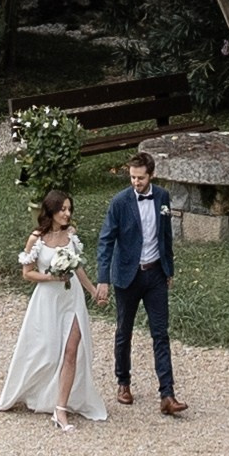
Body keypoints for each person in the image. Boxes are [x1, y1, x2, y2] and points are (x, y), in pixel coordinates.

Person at [0, 187, 108, 429]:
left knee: (72, 350)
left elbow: (78, 268)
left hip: (72, 298)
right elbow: (27, 273)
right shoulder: (37, 239)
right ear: (51, 210)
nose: (67, 213)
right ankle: (23, 390)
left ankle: (60, 409)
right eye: (63, 209)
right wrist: (52, 277)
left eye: (69, 209)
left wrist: (92, 291)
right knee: (46, 351)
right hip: (47, 300)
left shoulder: (70, 235)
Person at [94, 148, 188, 415]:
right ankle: (123, 382)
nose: (136, 183)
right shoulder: (120, 202)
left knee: (161, 333)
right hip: (127, 276)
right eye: (133, 178)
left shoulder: (162, 197)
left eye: (141, 178)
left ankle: (167, 395)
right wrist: (104, 278)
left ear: (151, 175)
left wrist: (168, 269)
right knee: (124, 331)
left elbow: (165, 236)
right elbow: (105, 241)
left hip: (155, 274)